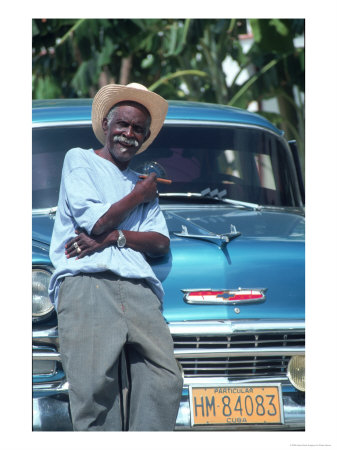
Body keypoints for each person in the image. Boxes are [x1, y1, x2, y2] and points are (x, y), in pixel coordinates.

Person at [48, 83, 183, 431]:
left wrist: (115, 237)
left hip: (139, 288)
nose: (128, 134)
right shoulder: (80, 159)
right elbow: (93, 222)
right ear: (106, 125)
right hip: (88, 282)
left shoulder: (142, 184)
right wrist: (137, 197)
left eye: (138, 129)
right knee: (96, 391)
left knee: (165, 381)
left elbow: (159, 242)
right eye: (122, 124)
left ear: (145, 136)